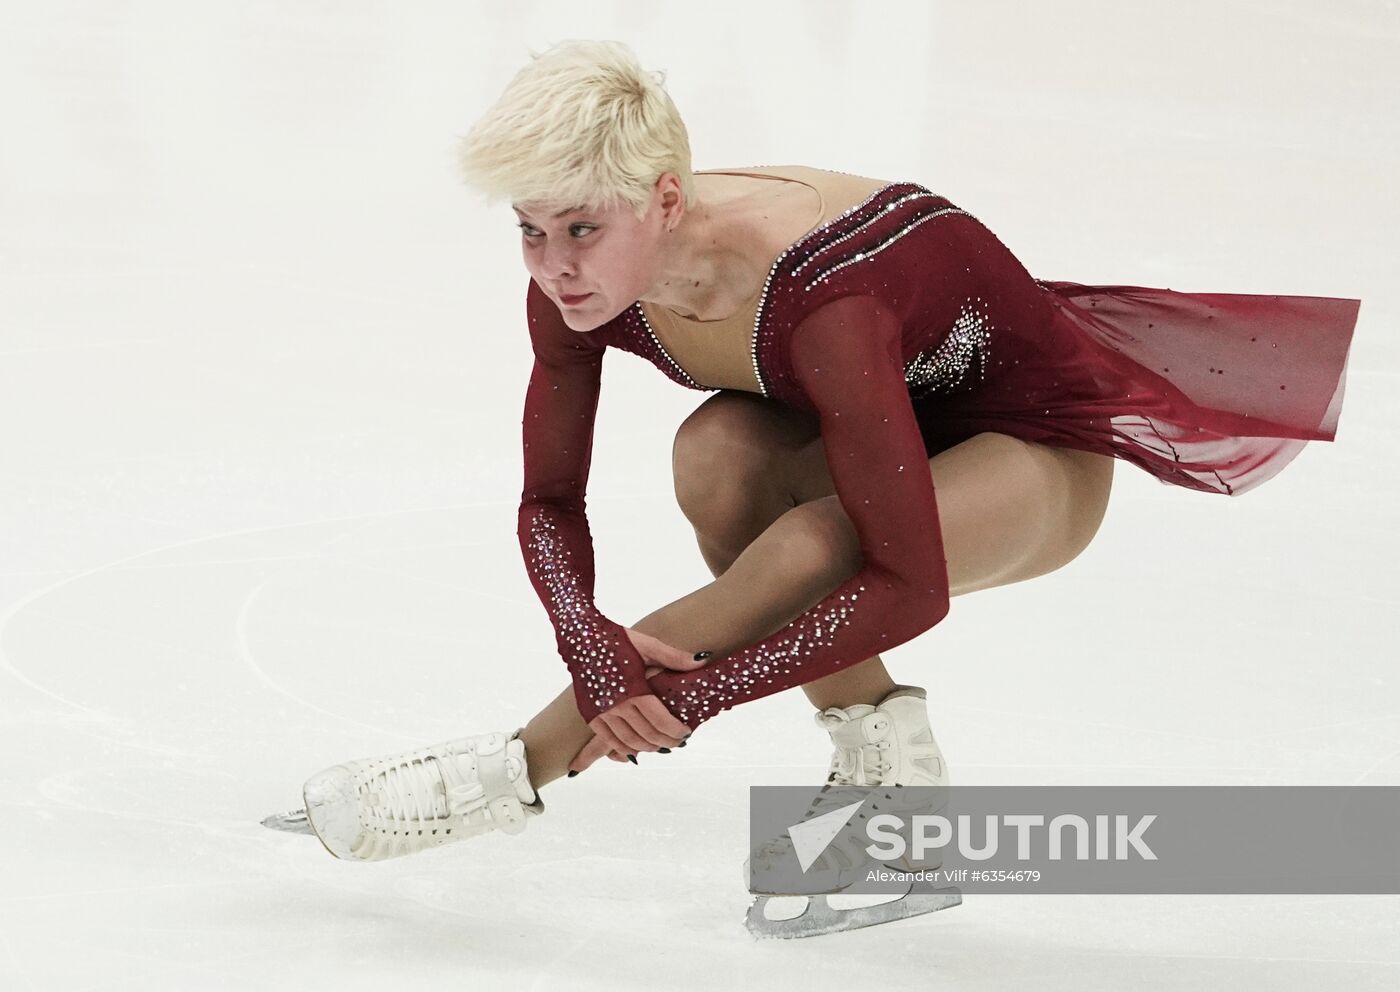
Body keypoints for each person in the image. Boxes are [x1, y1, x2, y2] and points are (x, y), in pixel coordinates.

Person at [277, 39, 1359, 932]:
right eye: (527, 229)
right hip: (864, 430)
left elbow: (907, 582)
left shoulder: (821, 290)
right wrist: (588, 645)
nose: (553, 263)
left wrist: (681, 694)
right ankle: (894, 784)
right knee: (714, 455)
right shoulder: (583, 282)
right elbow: (549, 499)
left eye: (578, 230)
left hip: (1029, 457)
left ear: (662, 199)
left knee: (801, 549)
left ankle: (502, 775)